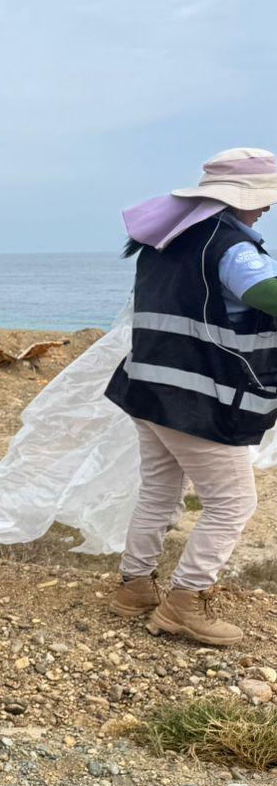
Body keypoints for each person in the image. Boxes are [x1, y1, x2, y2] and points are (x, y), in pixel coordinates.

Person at [106, 147, 277, 646]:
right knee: (233, 502)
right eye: (263, 198)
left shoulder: (169, 240)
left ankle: (134, 587)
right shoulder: (229, 245)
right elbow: (265, 294)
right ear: (236, 198)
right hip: (197, 397)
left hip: (149, 386)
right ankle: (185, 602)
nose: (267, 207)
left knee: (159, 490)